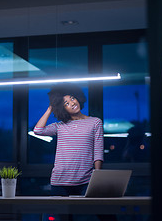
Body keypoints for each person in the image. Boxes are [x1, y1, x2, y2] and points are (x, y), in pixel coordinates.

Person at [34, 83, 108, 221]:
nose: (72, 103)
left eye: (72, 98)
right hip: (60, 182)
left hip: (86, 181)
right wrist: (51, 107)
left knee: (105, 215)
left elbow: (98, 152)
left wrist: (97, 177)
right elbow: (38, 130)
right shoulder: (59, 126)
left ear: (78, 98)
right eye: (66, 103)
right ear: (63, 109)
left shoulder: (95, 122)